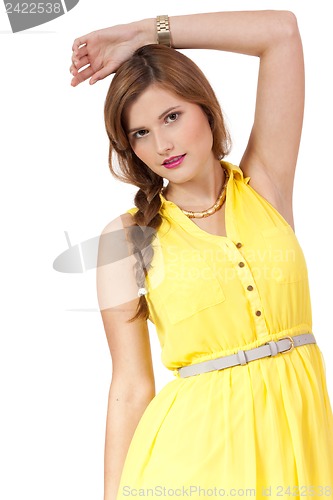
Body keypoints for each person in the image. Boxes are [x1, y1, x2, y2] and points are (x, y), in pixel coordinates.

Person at [70, 11, 333, 500]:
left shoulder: (264, 188)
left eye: (172, 116)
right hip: (195, 466)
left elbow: (281, 33)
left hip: (301, 450)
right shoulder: (125, 240)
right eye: (141, 133)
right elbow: (129, 388)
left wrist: (141, 35)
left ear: (206, 109)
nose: (162, 143)